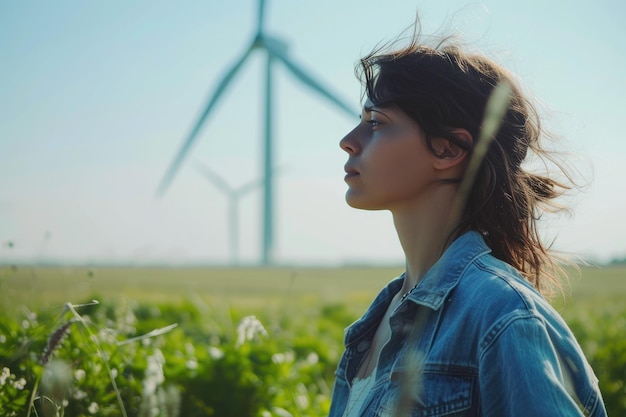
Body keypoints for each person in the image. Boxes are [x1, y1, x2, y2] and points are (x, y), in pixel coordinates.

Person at [328, 23, 608, 417]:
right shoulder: (381, 320)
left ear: (447, 149)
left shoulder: (506, 316)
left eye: (376, 123)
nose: (349, 140)